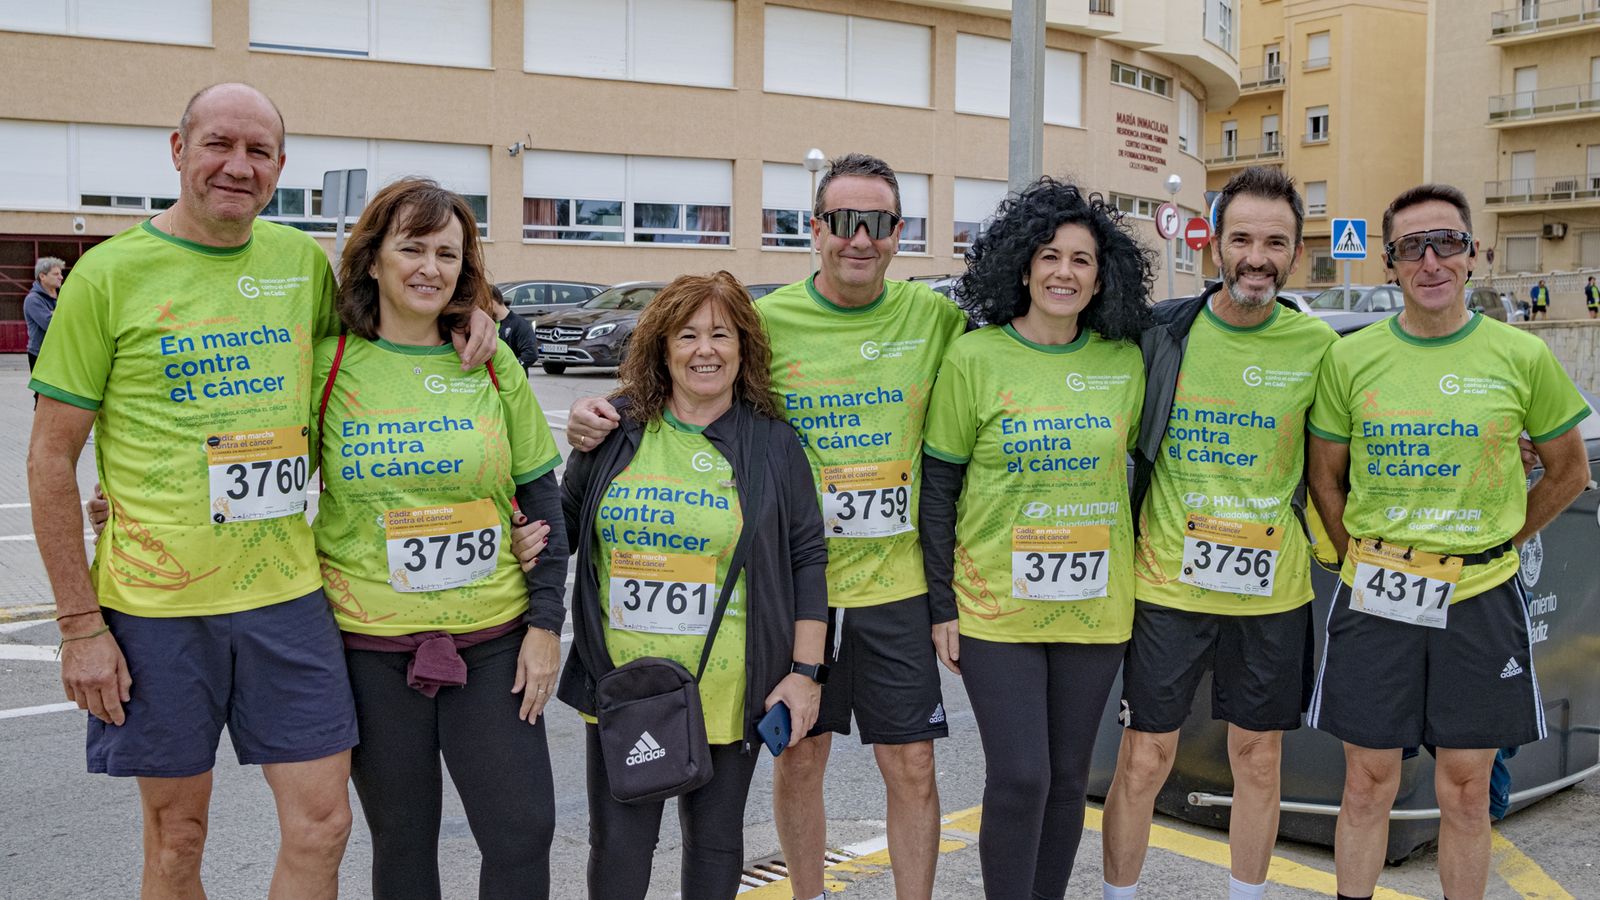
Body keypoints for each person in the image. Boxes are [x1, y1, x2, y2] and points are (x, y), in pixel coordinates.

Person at [24, 83, 500, 899]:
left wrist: (471, 312)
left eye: (258, 151)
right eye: (218, 144)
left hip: (289, 598)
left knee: (324, 824)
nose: (237, 166)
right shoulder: (106, 276)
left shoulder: (299, 264)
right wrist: (79, 626)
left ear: (281, 165)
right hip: (158, 608)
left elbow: (374, 358)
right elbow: (48, 457)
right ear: (179, 150)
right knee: (178, 838)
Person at [566, 153, 967, 900]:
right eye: (842, 221)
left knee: (912, 764)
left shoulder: (936, 318)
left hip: (893, 583)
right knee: (800, 757)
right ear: (814, 230)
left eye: (877, 223)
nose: (859, 238)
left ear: (898, 233)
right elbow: (685, 369)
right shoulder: (767, 322)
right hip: (787, 585)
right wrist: (602, 412)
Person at [1306, 183, 1590, 900]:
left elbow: (1569, 472)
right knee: (1368, 782)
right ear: (1390, 262)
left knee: (1466, 789)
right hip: (1379, 596)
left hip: (1481, 599)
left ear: (1473, 254)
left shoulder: (1521, 355)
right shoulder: (1350, 359)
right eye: (1411, 247)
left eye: (1447, 243)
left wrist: (1499, 541)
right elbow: (1325, 480)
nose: (1430, 260)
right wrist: (1355, 559)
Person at [312, 178, 569, 899]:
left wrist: (546, 625)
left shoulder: (488, 360)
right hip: (370, 647)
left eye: (448, 254)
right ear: (372, 259)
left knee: (523, 832)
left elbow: (541, 496)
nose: (430, 267)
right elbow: (263, 475)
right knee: (402, 840)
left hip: (493, 643)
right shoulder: (327, 365)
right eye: (412, 248)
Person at [1102, 166, 1338, 900]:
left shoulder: (1320, 347)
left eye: (1275, 243)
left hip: (1272, 595)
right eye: (1241, 240)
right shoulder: (1163, 332)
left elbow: (1355, 448)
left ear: (1296, 254)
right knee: (1144, 758)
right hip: (1167, 587)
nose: (1256, 258)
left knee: (1258, 760)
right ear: (1214, 247)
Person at [556, 271, 829, 899]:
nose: (705, 349)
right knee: (619, 850)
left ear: (743, 348)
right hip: (625, 685)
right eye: (687, 335)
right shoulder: (614, 430)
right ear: (662, 347)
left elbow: (807, 558)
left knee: (715, 849)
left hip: (729, 687)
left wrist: (804, 673)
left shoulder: (771, 442)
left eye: (721, 334)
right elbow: (563, 528)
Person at [919, 178, 1151, 896]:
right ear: (1023, 267)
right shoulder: (975, 359)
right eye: (1050, 256)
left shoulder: (1125, 361)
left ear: (1100, 278)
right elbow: (938, 487)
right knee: (1021, 776)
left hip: (1097, 607)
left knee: (1068, 779)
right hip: (995, 606)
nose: (1064, 272)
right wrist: (941, 604)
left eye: (1082, 260)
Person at [24, 256, 64, 374]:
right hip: (40, 354)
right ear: (42, 276)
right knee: (43, 387)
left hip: (60, 353)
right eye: (56, 274)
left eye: (60, 274)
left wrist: (55, 313)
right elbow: (50, 324)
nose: (61, 277)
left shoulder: (62, 295)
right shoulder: (33, 300)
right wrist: (62, 313)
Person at [491, 284, 540, 370]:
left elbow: (531, 354)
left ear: (492, 302)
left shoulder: (519, 324)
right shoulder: (488, 324)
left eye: (481, 304)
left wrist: (510, 369)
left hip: (511, 377)